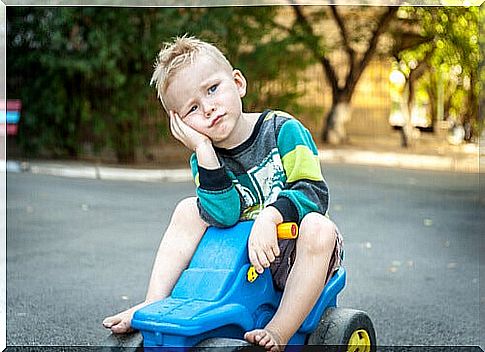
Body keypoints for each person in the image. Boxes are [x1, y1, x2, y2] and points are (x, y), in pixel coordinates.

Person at [102, 35, 343, 352]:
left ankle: (279, 331)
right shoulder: (205, 159)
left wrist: (271, 216)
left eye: (212, 89)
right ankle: (153, 304)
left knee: (320, 227)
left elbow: (312, 190)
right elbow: (224, 214)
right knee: (188, 209)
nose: (208, 108)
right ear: (180, 125)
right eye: (192, 109)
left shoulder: (282, 129)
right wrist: (203, 149)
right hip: (244, 263)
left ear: (238, 83)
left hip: (298, 252)